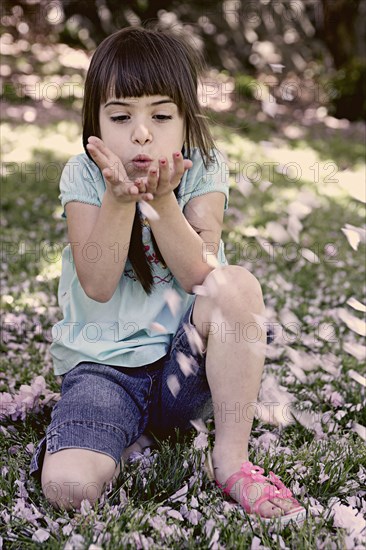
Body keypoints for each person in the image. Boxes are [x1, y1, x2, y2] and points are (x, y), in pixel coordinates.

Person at [30, 25, 306, 525]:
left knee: (236, 285)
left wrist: (160, 201)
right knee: (69, 488)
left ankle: (231, 460)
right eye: (121, 116)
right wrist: (119, 200)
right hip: (104, 370)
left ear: (185, 121)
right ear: (94, 121)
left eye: (160, 115)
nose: (141, 132)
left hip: (186, 370)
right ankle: (114, 431)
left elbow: (202, 275)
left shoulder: (203, 169)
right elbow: (97, 281)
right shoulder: (83, 176)